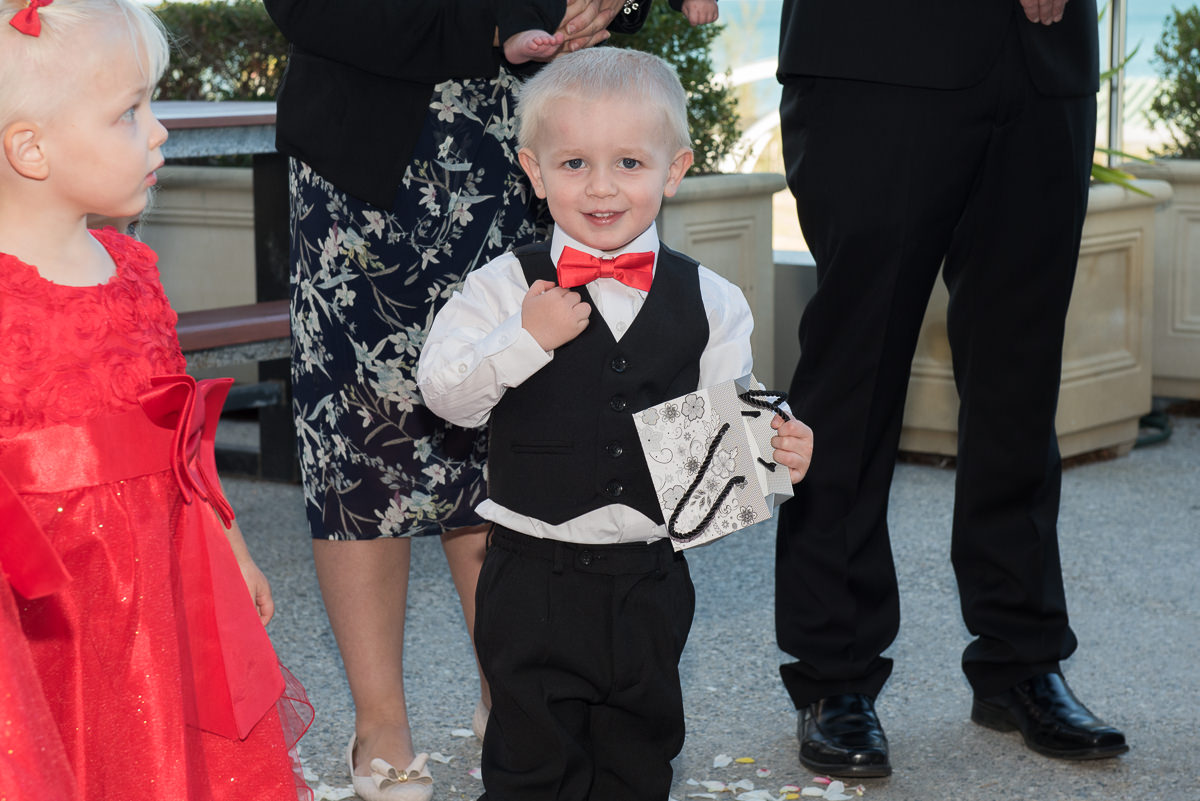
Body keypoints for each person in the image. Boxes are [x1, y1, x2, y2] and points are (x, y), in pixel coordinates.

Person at [262, 2, 650, 800]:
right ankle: (381, 721)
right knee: (360, 442)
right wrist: (493, 22)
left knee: (511, 431)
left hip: (528, 148)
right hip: (364, 158)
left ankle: (512, 695)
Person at [417, 47, 814, 801]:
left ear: (674, 170)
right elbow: (443, 394)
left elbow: (724, 432)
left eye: (629, 162)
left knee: (638, 759)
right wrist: (523, 339)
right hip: (530, 573)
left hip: (648, 580)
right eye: (574, 164)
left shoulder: (714, 300)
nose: (601, 186)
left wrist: (782, 446)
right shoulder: (504, 284)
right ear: (534, 172)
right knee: (529, 764)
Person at [774, 0, 1128, 779]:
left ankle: (1021, 658)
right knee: (853, 373)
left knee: (1021, 375)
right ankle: (834, 672)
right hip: (875, 48)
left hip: (1043, 55)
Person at [0, 1, 313, 799]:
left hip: (162, 582)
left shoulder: (133, 267)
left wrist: (228, 541)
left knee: (166, 752)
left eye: (154, 104)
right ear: (30, 149)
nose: (159, 130)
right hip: (51, 610)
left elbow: (181, 440)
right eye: (128, 112)